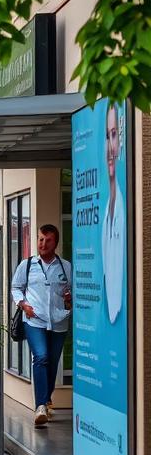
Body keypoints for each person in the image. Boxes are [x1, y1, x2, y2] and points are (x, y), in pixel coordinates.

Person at [10, 224, 72, 427]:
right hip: (34, 320)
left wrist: (69, 298)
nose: (43, 244)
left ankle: (46, 399)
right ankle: (40, 407)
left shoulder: (65, 267)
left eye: (48, 240)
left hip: (59, 320)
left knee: (52, 363)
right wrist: (23, 304)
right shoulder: (27, 265)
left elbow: (72, 291)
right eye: (40, 239)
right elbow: (16, 288)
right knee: (42, 357)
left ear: (56, 243)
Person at [103, 102, 125, 324]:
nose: (110, 146)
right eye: (106, 137)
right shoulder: (104, 218)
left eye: (114, 134)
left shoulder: (125, 213)